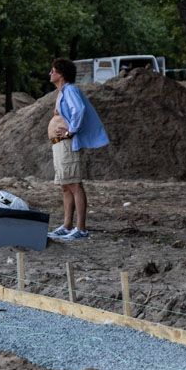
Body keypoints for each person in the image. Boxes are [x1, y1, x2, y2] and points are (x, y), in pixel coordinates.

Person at [47, 58, 109, 241]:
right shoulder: (61, 92)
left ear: (61, 73)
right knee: (65, 186)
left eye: (53, 70)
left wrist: (70, 131)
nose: (50, 73)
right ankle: (67, 226)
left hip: (66, 143)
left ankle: (80, 228)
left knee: (74, 184)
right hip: (58, 143)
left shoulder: (70, 90)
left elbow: (79, 110)